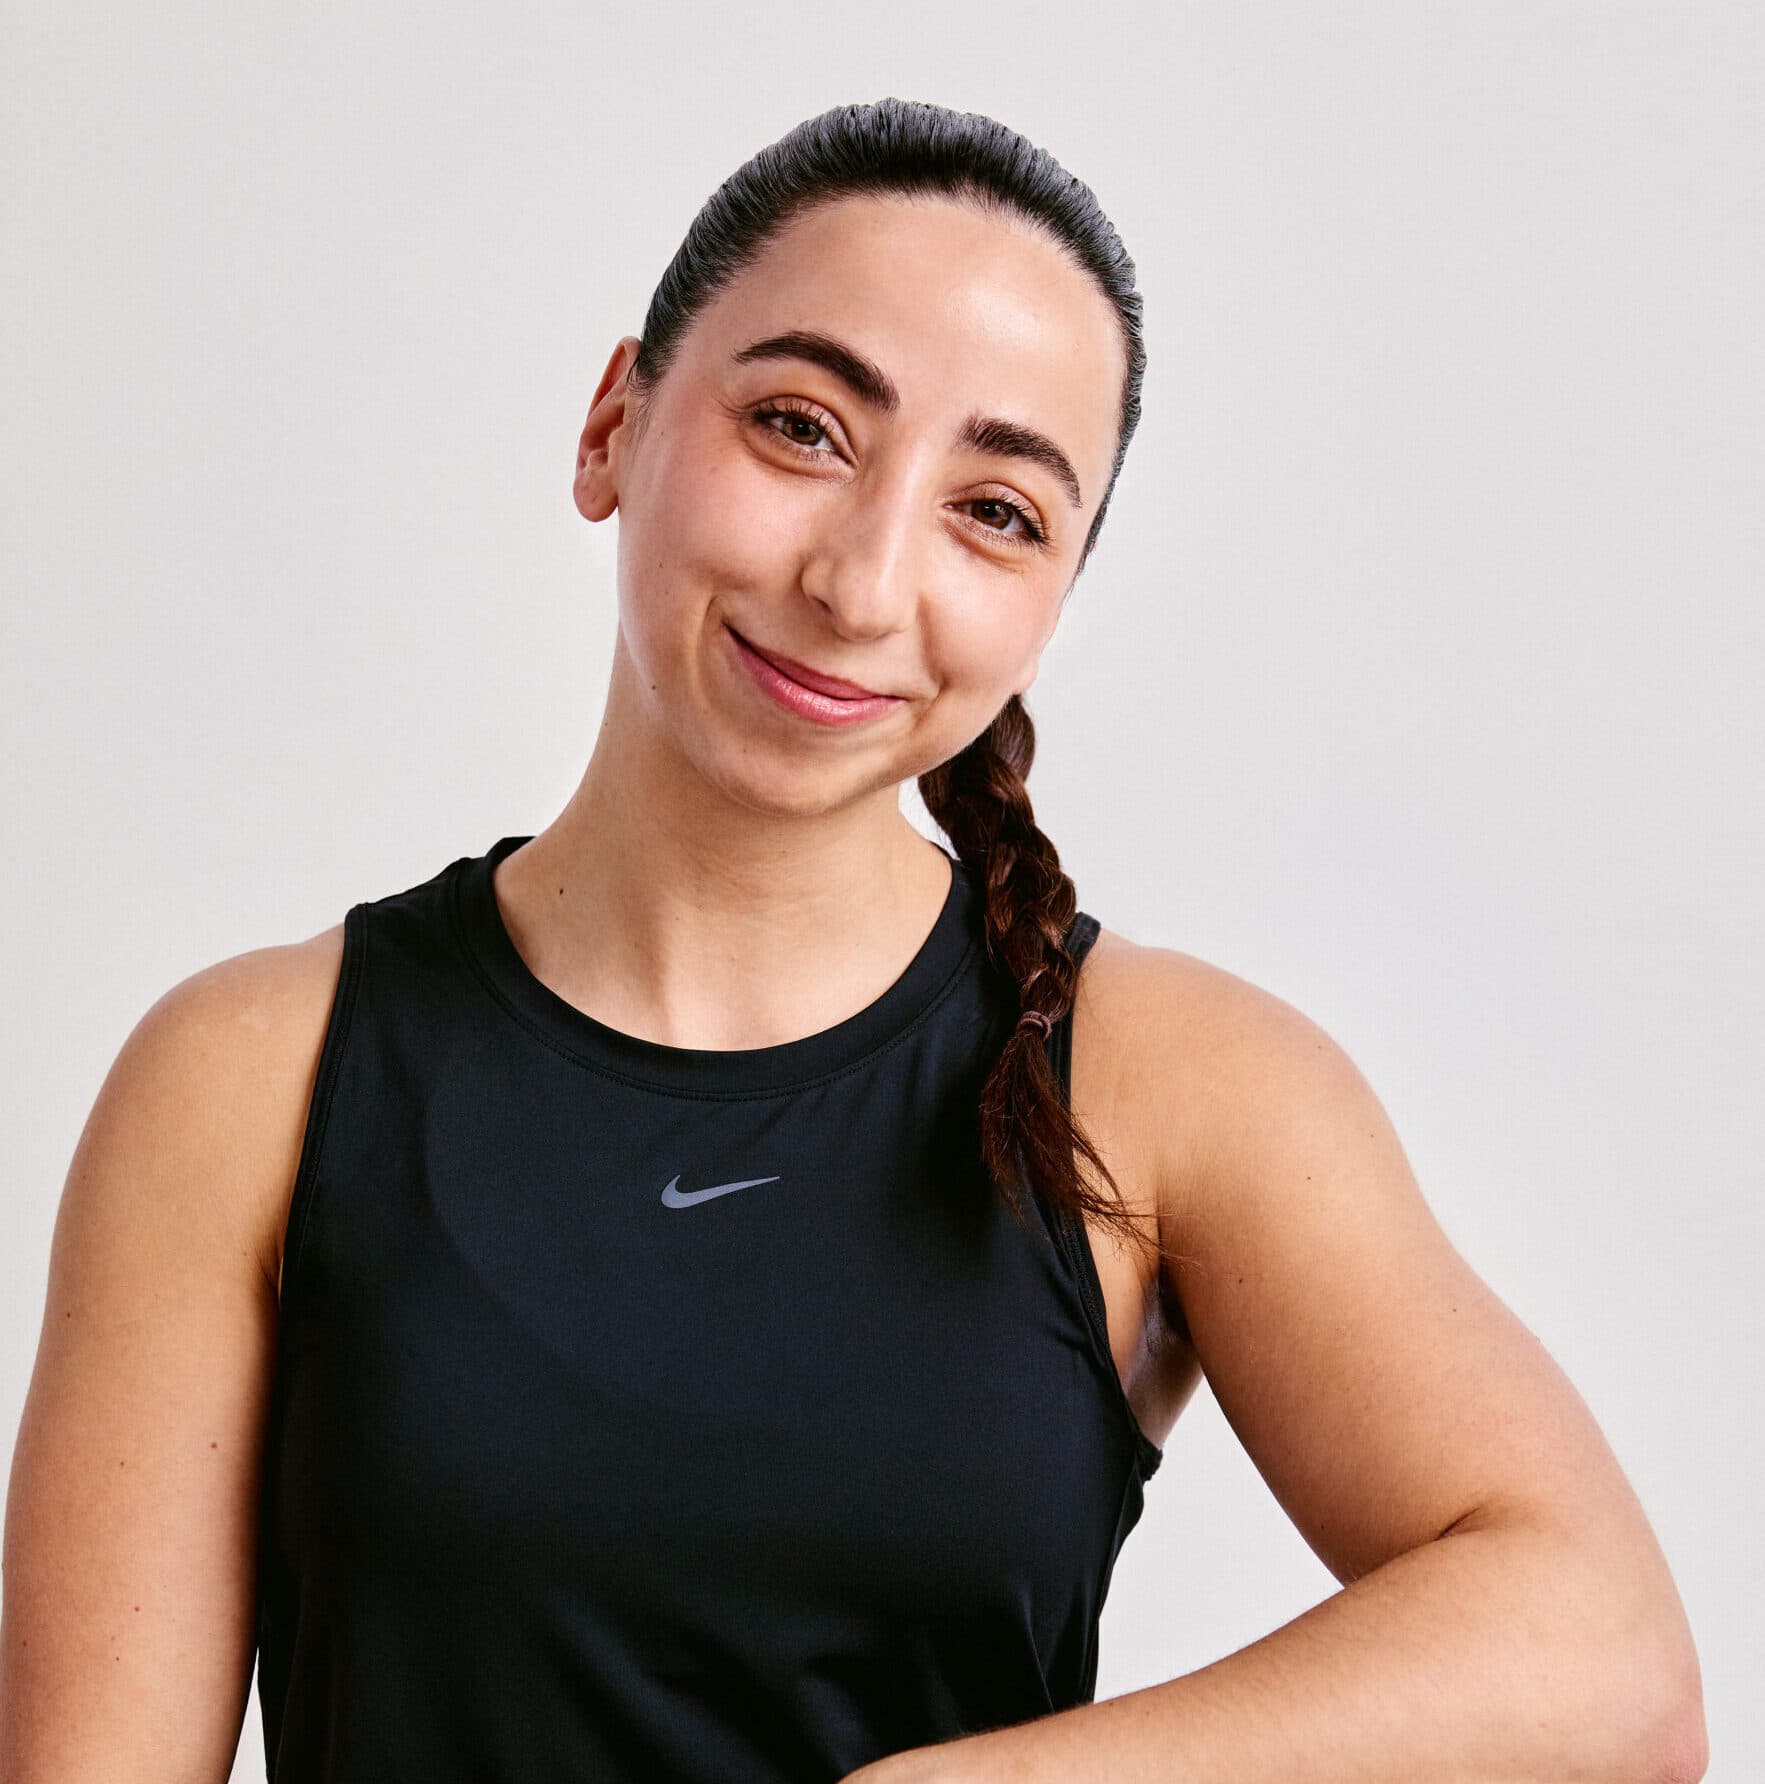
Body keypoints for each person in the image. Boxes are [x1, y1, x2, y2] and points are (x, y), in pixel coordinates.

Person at [0, 98, 1705, 1784]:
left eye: (997, 511)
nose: (863, 583)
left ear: (1052, 601)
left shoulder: (1175, 1084)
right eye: (802, 428)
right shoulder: (251, 1077)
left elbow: (1606, 1667)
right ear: (612, 427)